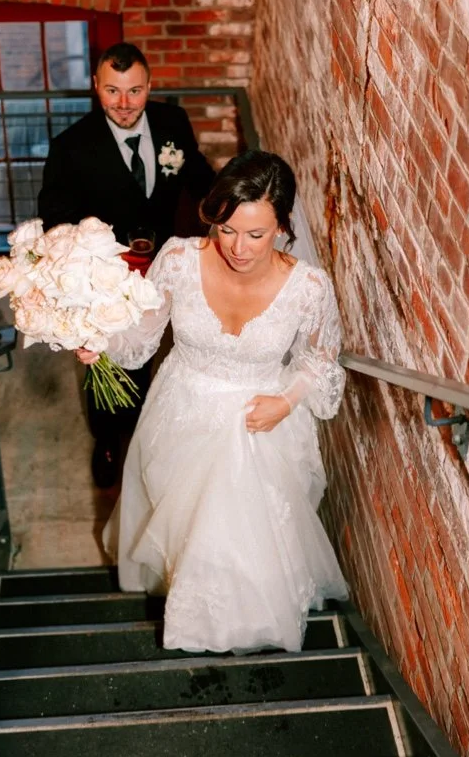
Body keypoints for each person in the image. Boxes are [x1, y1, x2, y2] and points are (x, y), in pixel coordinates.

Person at [75, 150, 349, 654]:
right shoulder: (178, 260)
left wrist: (287, 401)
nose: (239, 248)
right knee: (186, 531)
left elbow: (322, 360)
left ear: (283, 225)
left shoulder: (309, 287)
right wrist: (100, 342)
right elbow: (140, 338)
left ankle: (241, 627)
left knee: (245, 543)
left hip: (261, 424)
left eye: (256, 234)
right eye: (226, 230)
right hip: (184, 411)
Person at [37, 42, 215, 488]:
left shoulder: (173, 122)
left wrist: (234, 203)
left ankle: (144, 432)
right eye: (112, 91)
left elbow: (197, 174)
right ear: (96, 87)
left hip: (165, 268)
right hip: (106, 280)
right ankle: (109, 439)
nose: (124, 104)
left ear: (149, 86)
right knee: (109, 361)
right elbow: (55, 220)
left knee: (157, 354)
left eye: (134, 91)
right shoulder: (71, 147)